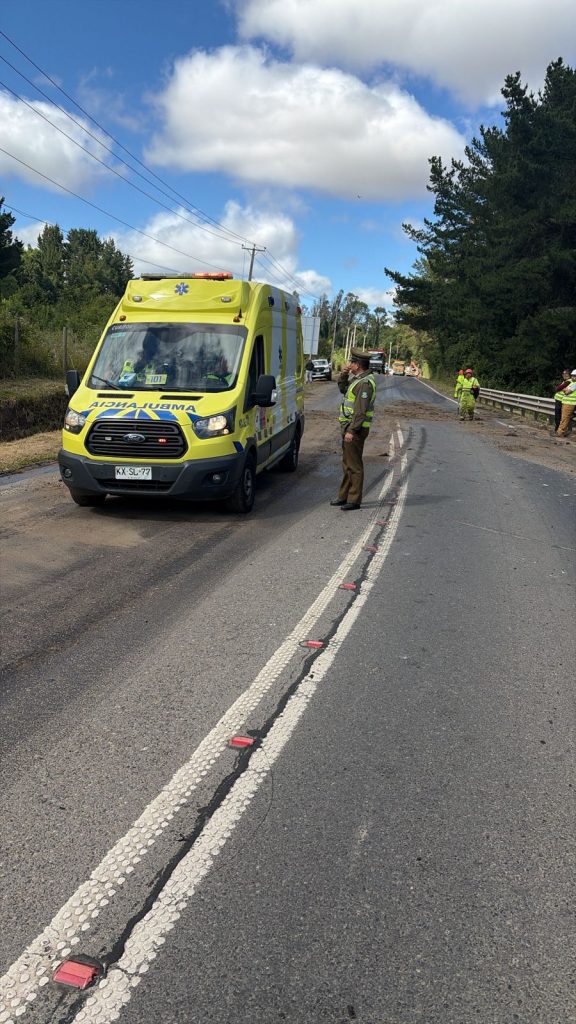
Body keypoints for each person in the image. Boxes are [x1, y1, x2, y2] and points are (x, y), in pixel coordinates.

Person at [330, 348, 376, 510]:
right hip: (348, 427)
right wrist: (343, 374)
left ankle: (354, 500)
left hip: (355, 429)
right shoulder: (357, 379)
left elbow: (360, 411)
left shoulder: (364, 384)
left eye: (351, 362)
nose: (349, 364)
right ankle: (344, 496)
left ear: (357, 365)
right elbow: (343, 389)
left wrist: (351, 431)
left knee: (354, 465)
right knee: (347, 463)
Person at [556, 369, 576, 437]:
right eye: (573, 376)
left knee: (564, 418)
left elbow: (567, 392)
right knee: (564, 418)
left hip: (569, 403)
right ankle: (561, 432)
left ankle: (560, 432)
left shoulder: (575, 384)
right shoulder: (572, 383)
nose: (573, 377)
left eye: (575, 376)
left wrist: (565, 390)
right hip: (566, 402)